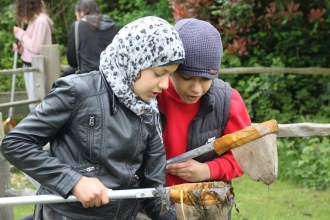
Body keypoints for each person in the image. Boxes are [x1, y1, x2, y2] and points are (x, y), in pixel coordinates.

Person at [1, 16, 185, 220]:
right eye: (159, 73)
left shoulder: (149, 111)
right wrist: (73, 181)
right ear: (135, 60)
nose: (166, 84)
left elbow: (153, 191)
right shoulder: (77, 91)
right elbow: (16, 143)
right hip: (65, 215)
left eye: (170, 75)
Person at [157, 18, 251, 219]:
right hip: (153, 206)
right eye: (187, 78)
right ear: (172, 68)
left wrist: (207, 170)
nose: (196, 89)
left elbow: (246, 157)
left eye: (206, 79)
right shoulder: (150, 94)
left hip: (206, 208)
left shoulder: (228, 101)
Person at [12, 0, 53, 112]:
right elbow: (31, 45)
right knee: (33, 102)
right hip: (29, 66)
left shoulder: (41, 21)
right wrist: (21, 47)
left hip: (37, 68)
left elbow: (36, 48)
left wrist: (20, 33)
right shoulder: (33, 21)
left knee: (36, 104)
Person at [62, 0, 120, 76]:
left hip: (87, 79)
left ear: (81, 12)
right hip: (112, 77)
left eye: (76, 15)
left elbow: (73, 61)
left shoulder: (77, 26)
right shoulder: (114, 27)